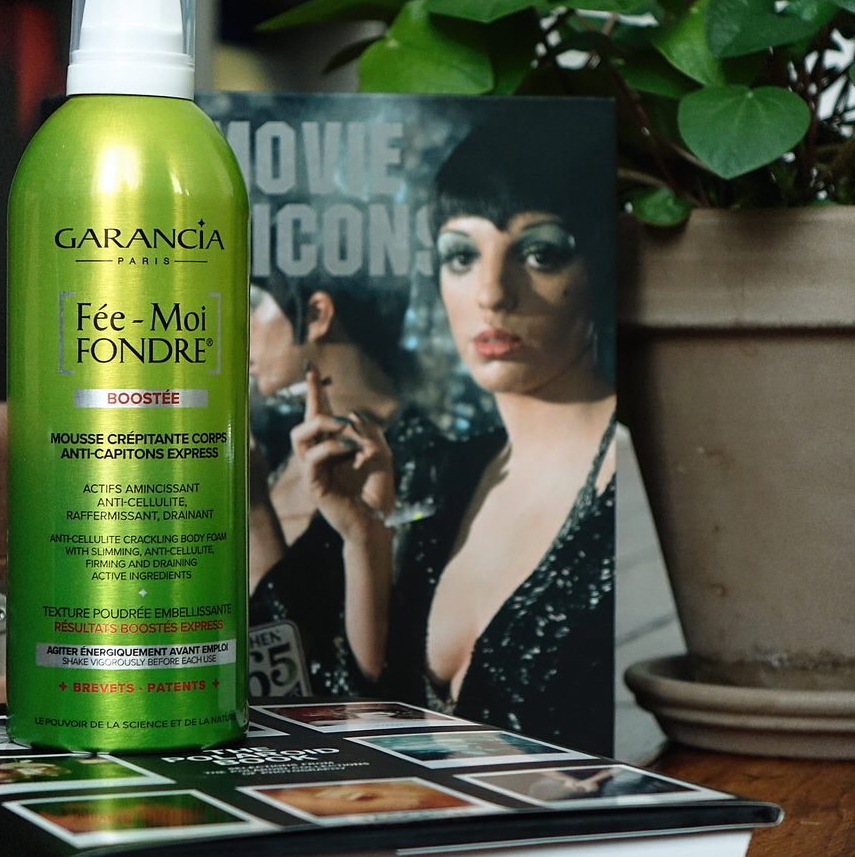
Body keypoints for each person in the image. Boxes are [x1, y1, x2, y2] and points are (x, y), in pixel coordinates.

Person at [295, 123, 617, 753]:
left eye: (541, 254)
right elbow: (374, 723)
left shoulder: (631, 470)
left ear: (600, 265)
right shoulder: (452, 472)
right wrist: (365, 544)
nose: (492, 294)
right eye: (461, 257)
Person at [246, 272, 437, 695]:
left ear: (317, 314)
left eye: (254, 306)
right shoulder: (276, 446)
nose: (238, 331)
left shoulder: (421, 468)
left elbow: (320, 679)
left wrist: (255, 516)